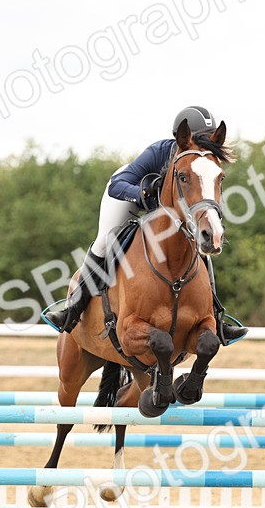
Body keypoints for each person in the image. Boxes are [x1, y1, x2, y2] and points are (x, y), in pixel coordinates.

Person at [45, 106, 247, 344]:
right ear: (183, 138)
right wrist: (143, 193)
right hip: (130, 196)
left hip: (171, 211)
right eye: (199, 141)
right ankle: (73, 309)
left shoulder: (203, 162)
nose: (203, 150)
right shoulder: (158, 152)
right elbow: (117, 184)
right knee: (105, 240)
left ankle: (215, 317)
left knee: (199, 249)